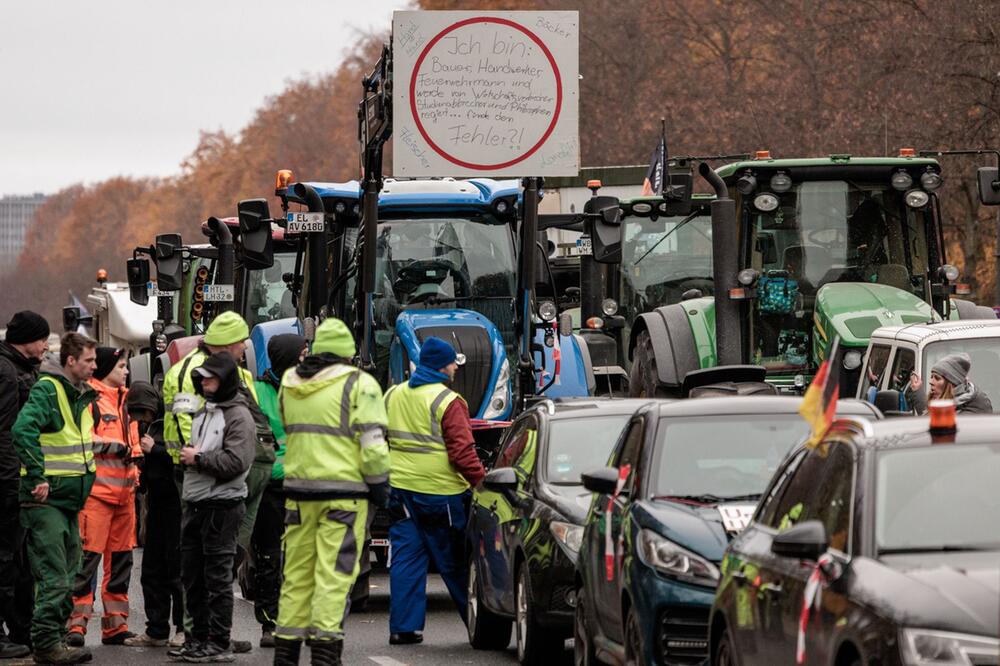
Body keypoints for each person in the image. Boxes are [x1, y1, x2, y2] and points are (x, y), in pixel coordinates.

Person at [273, 318, 390, 666]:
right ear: (348, 353)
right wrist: (380, 484)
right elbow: (372, 444)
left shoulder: (289, 382)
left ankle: (286, 653)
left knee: (296, 575)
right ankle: (325, 655)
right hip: (343, 496)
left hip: (297, 494)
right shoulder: (359, 384)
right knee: (333, 577)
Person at [161, 311, 271, 653]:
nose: (243, 350)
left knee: (222, 559)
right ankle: (199, 632)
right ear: (228, 344)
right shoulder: (191, 373)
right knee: (206, 565)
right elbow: (185, 424)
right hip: (206, 477)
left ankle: (211, 633)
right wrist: (197, 464)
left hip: (233, 472)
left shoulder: (232, 373)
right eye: (240, 344)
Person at [384, 336, 485, 645]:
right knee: (454, 560)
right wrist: (482, 482)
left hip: (399, 490)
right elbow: (462, 453)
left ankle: (404, 628)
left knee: (406, 558)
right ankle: (479, 625)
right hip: (441, 495)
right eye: (453, 361)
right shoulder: (448, 401)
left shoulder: (393, 394)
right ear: (442, 366)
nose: (456, 365)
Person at [12, 332, 98, 665]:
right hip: (46, 500)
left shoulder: (79, 394)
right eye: (89, 360)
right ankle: (46, 643)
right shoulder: (49, 389)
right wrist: (36, 476)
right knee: (54, 576)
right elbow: (22, 430)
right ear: (71, 361)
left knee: (70, 570)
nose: (94, 366)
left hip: (67, 501)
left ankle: (55, 637)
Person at [172, 352, 255, 663]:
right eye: (202, 378)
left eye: (211, 377)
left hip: (223, 505)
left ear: (226, 380)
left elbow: (238, 461)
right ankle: (198, 639)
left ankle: (219, 642)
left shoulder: (238, 416)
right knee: (192, 577)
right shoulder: (205, 412)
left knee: (217, 579)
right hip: (196, 503)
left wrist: (198, 459)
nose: (205, 382)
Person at [66, 348, 140, 647]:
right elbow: (84, 439)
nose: (125, 371)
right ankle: (75, 626)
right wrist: (115, 447)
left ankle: (115, 626)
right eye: (121, 366)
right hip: (96, 496)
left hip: (125, 495)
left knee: (121, 564)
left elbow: (132, 443)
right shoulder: (90, 400)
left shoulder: (127, 401)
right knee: (86, 563)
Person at [245, 334, 306, 649]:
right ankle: (269, 623)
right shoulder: (258, 392)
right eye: (302, 353)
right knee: (270, 555)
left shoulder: (307, 390)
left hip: (305, 484)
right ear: (287, 359)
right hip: (271, 485)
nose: (306, 359)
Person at [0, 310, 49, 659]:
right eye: (42, 338)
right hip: (8, 479)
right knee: (5, 558)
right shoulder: (6, 371)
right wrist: (12, 477)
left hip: (18, 476)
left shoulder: (22, 368)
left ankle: (22, 628)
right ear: (26, 339)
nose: (46, 345)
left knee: (20, 559)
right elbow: (5, 431)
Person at [122, 382, 185, 648]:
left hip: (177, 503)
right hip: (156, 503)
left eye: (143, 413)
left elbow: (184, 456)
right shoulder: (145, 427)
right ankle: (157, 629)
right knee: (152, 570)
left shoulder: (172, 422)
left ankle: (183, 628)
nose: (140, 419)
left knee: (177, 569)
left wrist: (155, 451)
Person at [906, 352, 993, 414]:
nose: (931, 382)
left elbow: (933, 426)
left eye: (937, 378)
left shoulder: (971, 411)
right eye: (931, 377)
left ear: (952, 384)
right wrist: (917, 391)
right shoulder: (949, 404)